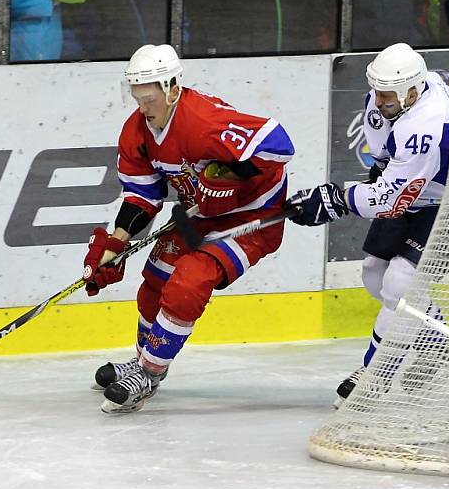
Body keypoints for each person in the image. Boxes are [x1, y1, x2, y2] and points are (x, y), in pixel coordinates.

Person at [83, 43, 295, 414]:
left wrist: (227, 175)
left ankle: (149, 372)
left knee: (190, 281)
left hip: (252, 219)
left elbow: (279, 146)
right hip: (198, 215)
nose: (142, 108)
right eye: (136, 98)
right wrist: (115, 244)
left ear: (172, 89)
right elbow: (142, 194)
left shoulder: (204, 121)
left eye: (148, 99)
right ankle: (142, 360)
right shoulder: (137, 131)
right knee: (154, 282)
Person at [284, 42, 449, 406]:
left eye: (388, 94)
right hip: (419, 189)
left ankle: (374, 376)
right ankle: (438, 343)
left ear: (413, 90)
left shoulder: (426, 125)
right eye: (377, 90)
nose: (379, 100)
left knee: (400, 283)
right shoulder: (387, 100)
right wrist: (342, 197)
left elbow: (391, 198)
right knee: (374, 274)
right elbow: (384, 166)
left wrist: (337, 200)